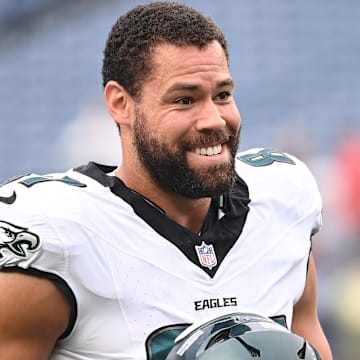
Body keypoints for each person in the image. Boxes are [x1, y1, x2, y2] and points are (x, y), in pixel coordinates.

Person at [0, 2, 332, 359]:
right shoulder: (56, 235)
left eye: (222, 95)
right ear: (121, 103)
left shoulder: (283, 196)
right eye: (185, 99)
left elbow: (309, 344)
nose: (214, 120)